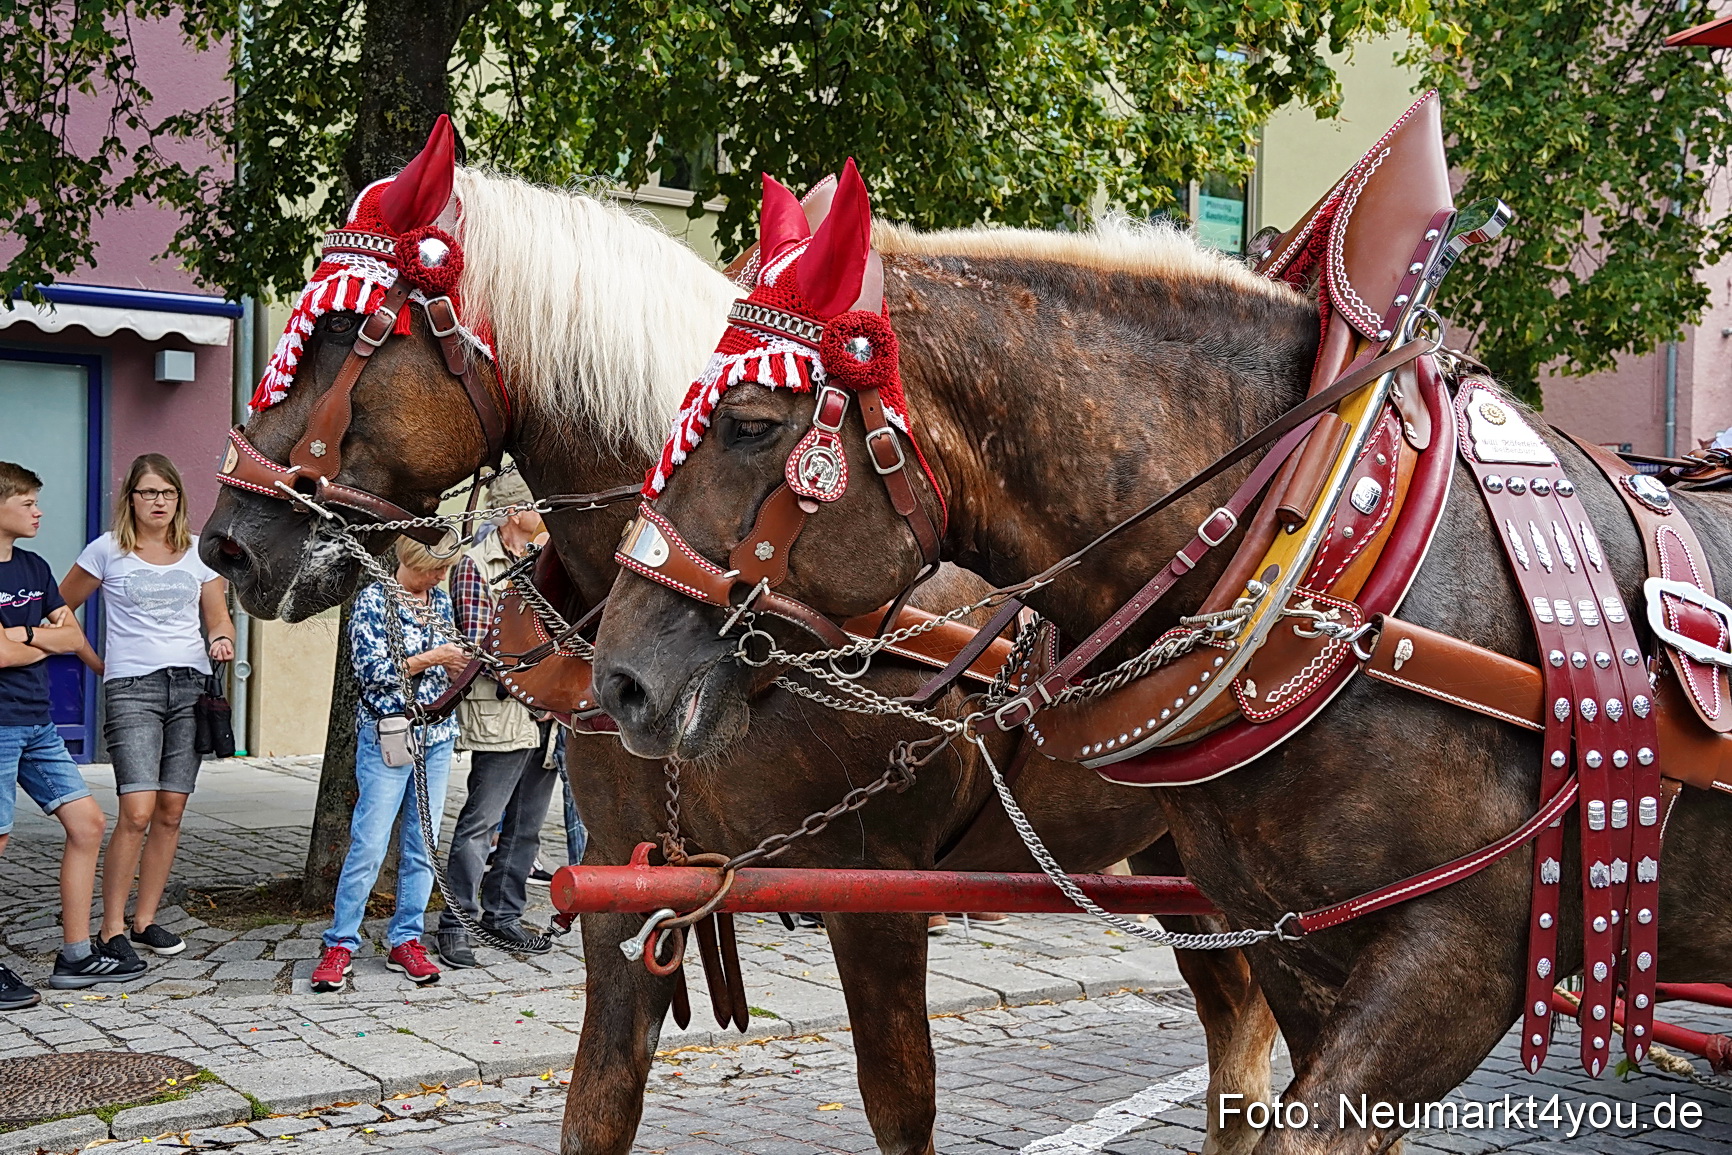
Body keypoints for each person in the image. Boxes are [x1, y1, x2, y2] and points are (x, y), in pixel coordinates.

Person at [60, 454, 234, 965]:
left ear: (178, 498)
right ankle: (109, 928)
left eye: (168, 493)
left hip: (190, 688)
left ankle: (144, 920)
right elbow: (60, 608)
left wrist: (222, 640)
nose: (159, 502)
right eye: (148, 493)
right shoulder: (107, 550)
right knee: (136, 811)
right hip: (132, 688)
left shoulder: (200, 552)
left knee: (171, 811)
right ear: (131, 499)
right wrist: (97, 662)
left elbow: (219, 618)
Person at [0, 462, 142, 1008]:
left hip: (37, 720)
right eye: (28, 503)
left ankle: (77, 955)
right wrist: (38, 639)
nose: (38, 512)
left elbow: (72, 633)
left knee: (87, 823)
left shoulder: (34, 567)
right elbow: (2, 653)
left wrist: (25, 632)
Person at [311, 537, 467, 993]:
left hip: (436, 735)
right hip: (388, 734)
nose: (441, 578)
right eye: (436, 569)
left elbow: (450, 657)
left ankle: (407, 939)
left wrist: (458, 667)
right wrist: (436, 657)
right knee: (369, 843)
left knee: (423, 844)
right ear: (411, 561)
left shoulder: (439, 600)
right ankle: (340, 942)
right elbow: (372, 670)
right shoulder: (374, 599)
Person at [435, 472, 560, 966]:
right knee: (480, 823)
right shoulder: (472, 566)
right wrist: (546, 657)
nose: (543, 513)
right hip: (501, 711)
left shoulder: (546, 560)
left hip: (547, 713)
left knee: (527, 827)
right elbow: (483, 643)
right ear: (512, 512)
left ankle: (503, 915)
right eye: (536, 505)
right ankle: (456, 922)